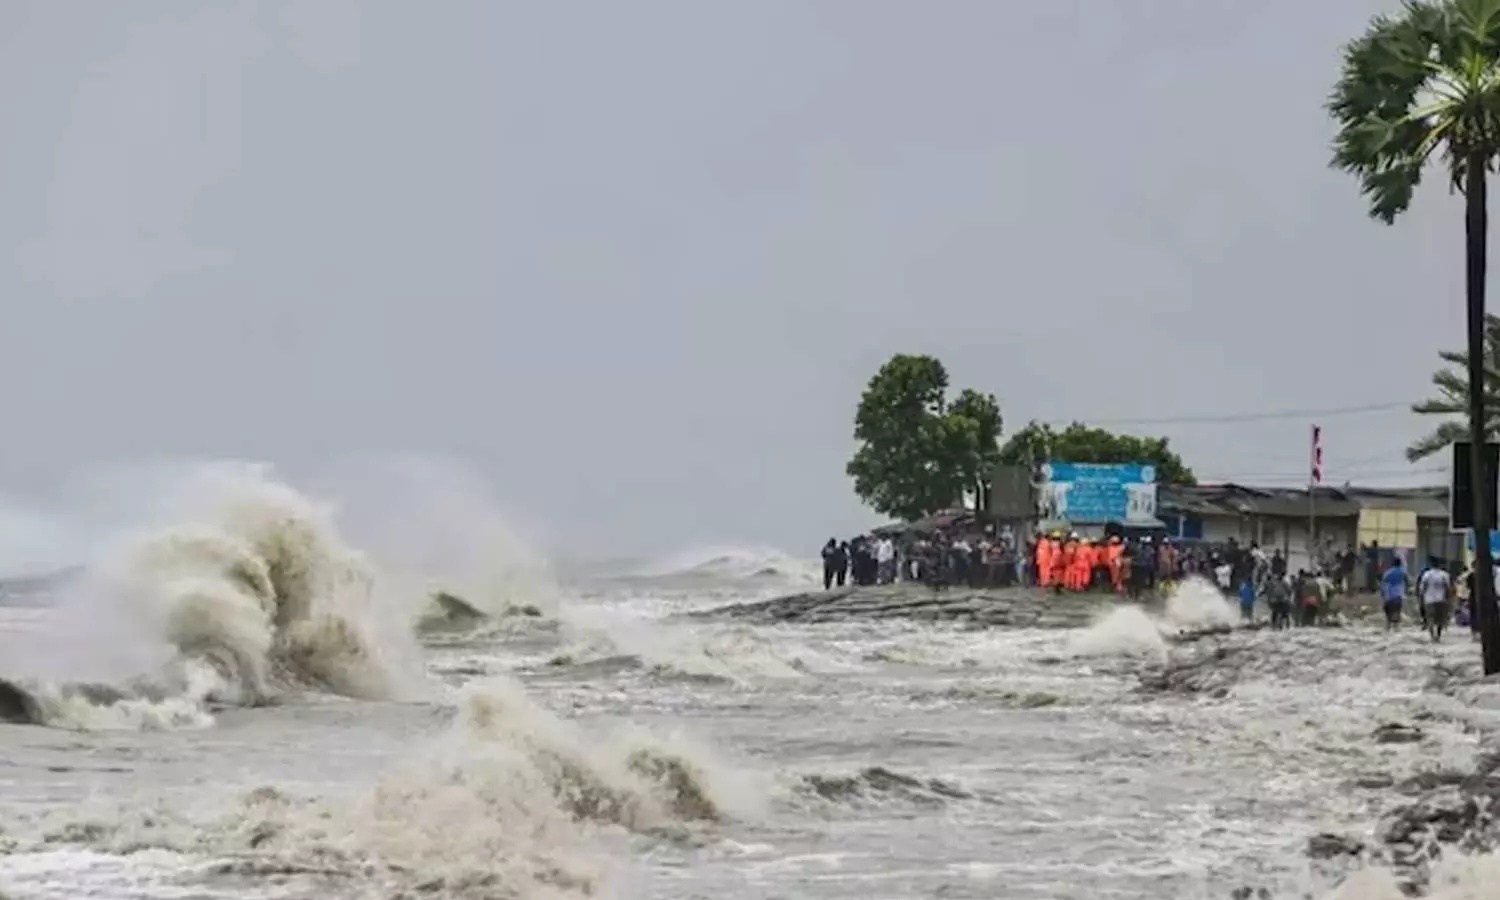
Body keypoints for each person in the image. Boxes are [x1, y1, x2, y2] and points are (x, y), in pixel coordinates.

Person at [1419, 562, 1452, 642]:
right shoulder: (1444, 575)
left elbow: (1423, 587)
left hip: (1429, 600)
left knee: (1430, 618)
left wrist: (1421, 596)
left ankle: (1432, 636)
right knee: (1440, 619)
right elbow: (1448, 587)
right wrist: (1448, 598)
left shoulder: (1426, 574)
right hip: (1441, 599)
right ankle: (1438, 635)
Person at [1380, 557, 1409, 630]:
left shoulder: (1388, 572)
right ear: (1400, 564)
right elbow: (1407, 582)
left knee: (1388, 614)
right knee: (1397, 612)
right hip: (1398, 595)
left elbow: (1383, 584)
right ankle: (1396, 627)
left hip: (1388, 596)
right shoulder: (1403, 572)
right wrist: (1406, 591)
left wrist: (1382, 594)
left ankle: (1388, 627)